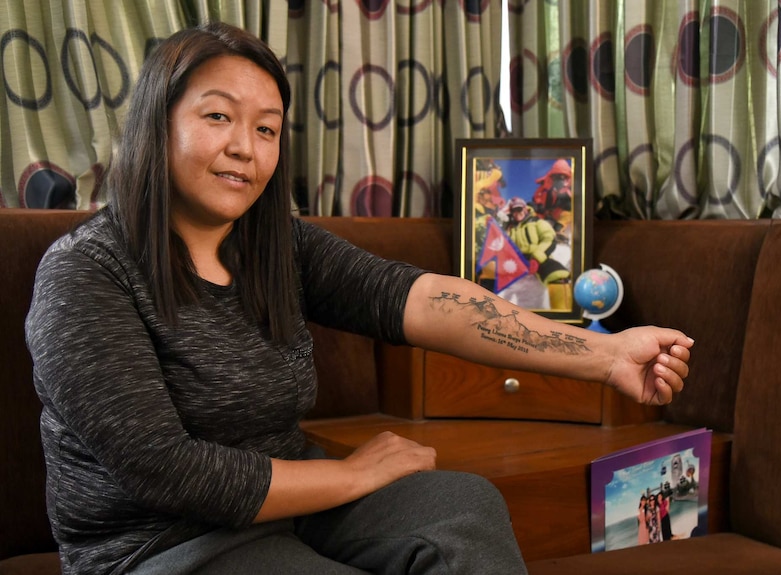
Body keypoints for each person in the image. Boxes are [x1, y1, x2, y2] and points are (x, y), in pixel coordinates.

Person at [24, 22, 693, 575]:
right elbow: (167, 472)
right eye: (218, 116)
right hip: (163, 544)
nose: (244, 148)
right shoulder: (83, 275)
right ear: (157, 124)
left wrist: (605, 355)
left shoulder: (276, 244)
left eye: (266, 128)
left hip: (294, 503)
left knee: (462, 507)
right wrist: (352, 476)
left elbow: (424, 300)